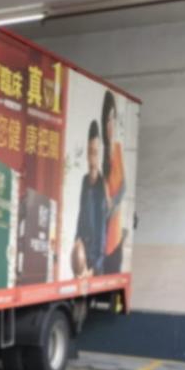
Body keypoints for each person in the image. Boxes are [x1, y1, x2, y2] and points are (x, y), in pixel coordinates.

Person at [72, 120, 107, 277]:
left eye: (96, 153)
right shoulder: (84, 181)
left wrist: (93, 268)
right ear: (87, 153)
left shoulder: (103, 186)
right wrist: (77, 241)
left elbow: (103, 232)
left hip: (95, 267)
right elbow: (81, 217)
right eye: (90, 152)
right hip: (81, 262)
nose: (93, 158)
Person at [101, 90, 126, 273]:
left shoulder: (117, 150)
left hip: (116, 235)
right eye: (108, 120)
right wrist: (110, 207)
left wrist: (114, 204)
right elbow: (102, 204)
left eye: (113, 118)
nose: (111, 124)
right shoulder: (101, 156)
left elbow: (123, 187)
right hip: (104, 239)